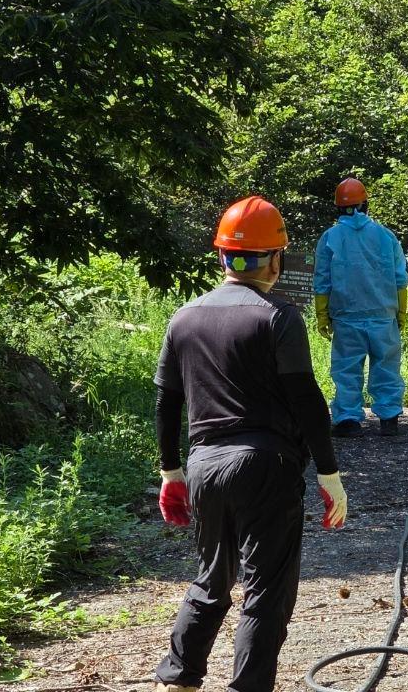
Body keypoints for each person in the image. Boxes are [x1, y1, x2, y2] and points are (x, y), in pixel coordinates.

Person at [153, 195, 348, 692]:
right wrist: (328, 473)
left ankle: (178, 681)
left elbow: (167, 402)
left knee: (211, 581)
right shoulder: (278, 317)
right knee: (265, 591)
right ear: (276, 260)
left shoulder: (184, 318)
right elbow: (306, 400)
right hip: (266, 466)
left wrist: (171, 472)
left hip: (204, 465)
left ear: (222, 256)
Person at [313, 177, 408, 438]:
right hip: (383, 315)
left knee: (346, 371)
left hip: (346, 317)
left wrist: (322, 315)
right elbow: (401, 278)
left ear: (338, 208)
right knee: (387, 367)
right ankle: (389, 419)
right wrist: (401, 312)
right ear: (365, 205)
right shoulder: (386, 236)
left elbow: (322, 281)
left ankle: (348, 421)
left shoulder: (330, 238)